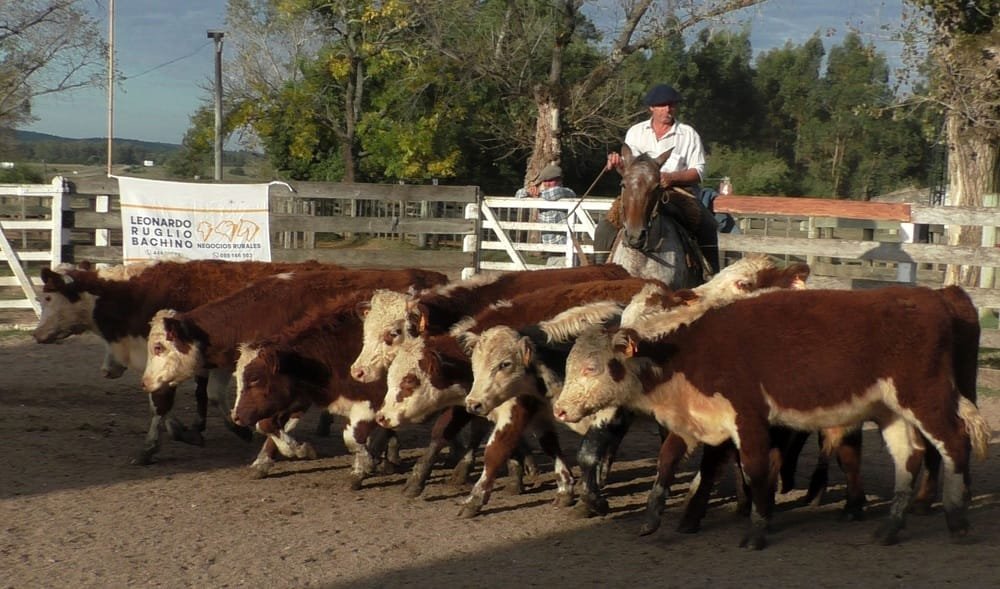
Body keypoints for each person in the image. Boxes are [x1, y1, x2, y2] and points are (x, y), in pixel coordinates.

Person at [595, 84, 719, 273]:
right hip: (639, 192)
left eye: (671, 105)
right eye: (662, 105)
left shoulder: (688, 134)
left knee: (707, 224)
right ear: (651, 108)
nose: (668, 109)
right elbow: (630, 170)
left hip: (677, 192)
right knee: (605, 227)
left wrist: (672, 177)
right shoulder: (636, 132)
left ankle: (710, 273)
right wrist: (618, 164)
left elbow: (699, 172)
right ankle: (600, 272)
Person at [515, 163, 576, 249]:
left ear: (559, 180)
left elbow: (555, 193)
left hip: (565, 245)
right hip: (549, 245)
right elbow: (518, 195)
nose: (547, 183)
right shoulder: (543, 194)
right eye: (545, 181)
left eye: (551, 180)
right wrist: (529, 191)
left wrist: (538, 193)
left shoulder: (567, 192)